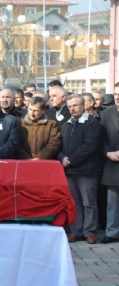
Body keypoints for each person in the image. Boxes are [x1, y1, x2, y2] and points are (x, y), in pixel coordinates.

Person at [58, 94, 102, 244]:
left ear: (83, 106)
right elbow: (60, 147)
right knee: (75, 202)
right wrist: (62, 157)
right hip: (70, 171)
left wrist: (71, 160)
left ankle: (89, 231)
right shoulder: (66, 124)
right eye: (69, 106)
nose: (72, 109)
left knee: (89, 203)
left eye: (75, 105)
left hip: (87, 170)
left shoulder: (92, 123)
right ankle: (76, 231)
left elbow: (90, 146)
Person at [99, 83, 119, 243]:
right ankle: (112, 232)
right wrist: (107, 153)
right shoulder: (107, 113)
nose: (117, 97)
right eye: (116, 94)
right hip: (112, 162)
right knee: (112, 202)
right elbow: (102, 138)